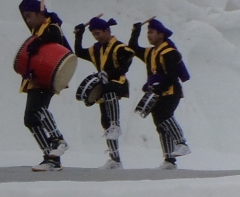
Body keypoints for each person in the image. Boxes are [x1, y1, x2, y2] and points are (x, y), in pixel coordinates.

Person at [18, 0, 71, 172]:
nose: (27, 20)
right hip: (34, 78)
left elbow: (54, 36)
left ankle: (59, 140)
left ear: (40, 14)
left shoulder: (51, 26)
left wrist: (39, 42)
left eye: (30, 16)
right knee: (30, 118)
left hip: (48, 76)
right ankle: (51, 158)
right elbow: (22, 6)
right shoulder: (37, 29)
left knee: (38, 109)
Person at [128, 17, 192, 169]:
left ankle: (181, 143)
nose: (148, 35)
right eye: (147, 33)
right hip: (158, 93)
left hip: (170, 92)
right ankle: (169, 159)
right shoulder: (151, 52)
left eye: (151, 32)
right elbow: (133, 49)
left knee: (165, 117)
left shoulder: (169, 52)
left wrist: (159, 87)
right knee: (160, 124)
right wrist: (135, 33)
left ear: (161, 35)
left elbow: (172, 75)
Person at [73, 16, 134, 169]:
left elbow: (125, 66)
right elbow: (79, 52)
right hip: (105, 84)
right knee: (104, 122)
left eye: (98, 33)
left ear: (107, 31)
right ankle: (115, 159)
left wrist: (109, 73)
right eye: (93, 34)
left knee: (109, 92)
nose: (96, 36)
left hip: (118, 83)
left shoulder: (119, 47)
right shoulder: (96, 49)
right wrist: (78, 35)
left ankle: (116, 125)